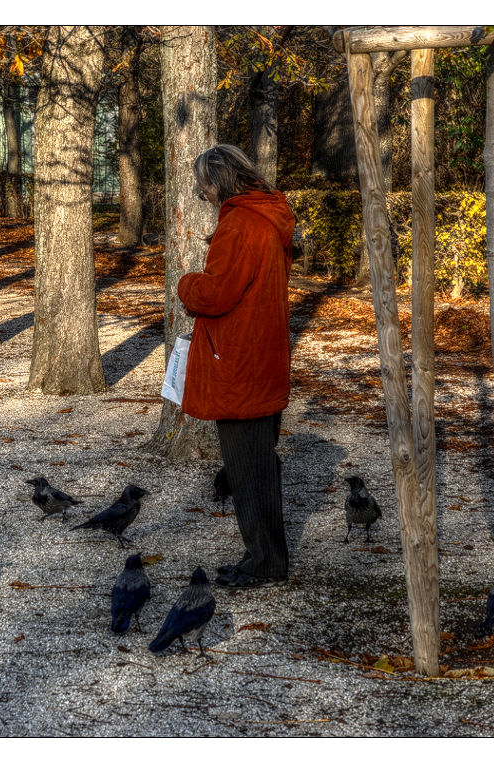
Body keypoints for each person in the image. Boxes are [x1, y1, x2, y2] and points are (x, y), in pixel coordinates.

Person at [177, 144, 296, 590]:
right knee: (260, 464)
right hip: (265, 355)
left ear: (218, 182)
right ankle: (268, 556)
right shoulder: (270, 216)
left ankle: (264, 560)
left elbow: (217, 294)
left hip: (238, 360)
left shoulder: (239, 223)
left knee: (246, 468)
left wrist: (187, 284)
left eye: (204, 185)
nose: (202, 193)